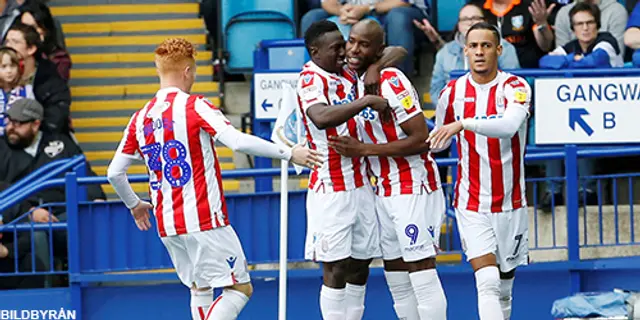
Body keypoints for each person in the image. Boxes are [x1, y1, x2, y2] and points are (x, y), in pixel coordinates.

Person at [106, 38, 321, 320]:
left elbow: (114, 172)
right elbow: (237, 141)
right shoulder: (195, 106)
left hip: (168, 224)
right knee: (239, 289)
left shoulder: (139, 118)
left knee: (199, 288)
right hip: (204, 218)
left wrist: (134, 204)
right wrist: (288, 152)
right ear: (187, 71)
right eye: (193, 72)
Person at [328, 19, 447, 320]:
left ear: (377, 49)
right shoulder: (352, 77)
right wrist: (373, 65)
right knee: (396, 275)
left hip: (411, 184)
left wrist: (364, 149)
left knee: (421, 271)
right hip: (382, 187)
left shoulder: (391, 80)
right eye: (352, 40)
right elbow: (398, 48)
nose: (354, 49)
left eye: (364, 44)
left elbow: (421, 139)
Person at [299, 20, 404, 320]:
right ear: (314, 52)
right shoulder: (310, 78)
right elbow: (320, 117)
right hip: (330, 187)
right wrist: (366, 100)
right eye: (336, 48)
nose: (344, 53)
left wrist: (374, 68)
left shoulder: (345, 70)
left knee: (361, 263)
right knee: (335, 267)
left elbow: (398, 50)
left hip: (361, 183)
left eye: (343, 44)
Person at [428, 22, 531, 320]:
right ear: (465, 51)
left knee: (504, 287)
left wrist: (465, 123)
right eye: (473, 46)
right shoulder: (452, 92)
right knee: (486, 281)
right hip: (471, 202)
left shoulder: (515, 87)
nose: (479, 52)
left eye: (486, 45)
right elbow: (439, 141)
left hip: (511, 202)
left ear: (499, 50)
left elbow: (509, 125)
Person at [413, 3, 520, 102]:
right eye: (464, 19)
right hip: (455, 113)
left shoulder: (505, 47)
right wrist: (450, 109)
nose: (470, 22)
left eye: (475, 18)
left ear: (485, 21)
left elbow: (513, 84)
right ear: (458, 25)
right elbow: (436, 90)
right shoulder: (445, 52)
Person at [540, 2, 623, 68]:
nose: (585, 28)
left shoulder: (607, 40)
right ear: (573, 28)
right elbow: (545, 61)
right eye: (579, 24)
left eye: (590, 22)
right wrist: (573, 58)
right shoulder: (571, 46)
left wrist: (565, 61)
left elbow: (594, 61)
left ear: (597, 25)